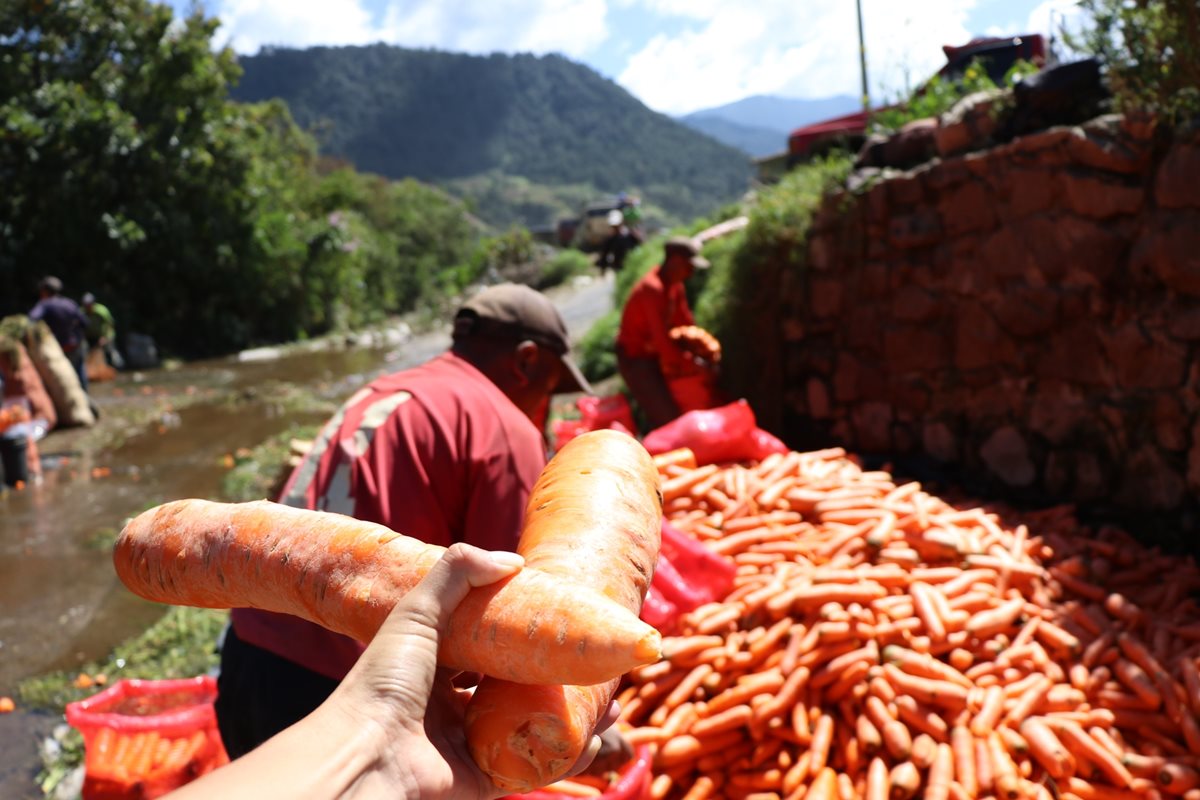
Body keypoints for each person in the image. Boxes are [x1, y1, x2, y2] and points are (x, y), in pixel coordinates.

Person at [215, 283, 594, 758]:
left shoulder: (388, 388)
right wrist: (565, 712)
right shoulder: (501, 425)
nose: (545, 408)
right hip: (341, 690)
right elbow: (507, 607)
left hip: (249, 650)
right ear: (526, 361)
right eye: (550, 389)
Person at [169, 544, 615, 800]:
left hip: (248, 654)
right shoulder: (504, 433)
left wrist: (383, 753)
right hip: (323, 677)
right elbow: (506, 593)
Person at [616, 236, 720, 430]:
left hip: (656, 354)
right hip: (636, 359)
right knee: (668, 418)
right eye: (688, 267)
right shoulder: (651, 289)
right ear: (675, 261)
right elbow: (663, 344)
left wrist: (705, 353)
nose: (690, 273)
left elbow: (687, 324)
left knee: (683, 406)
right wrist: (697, 366)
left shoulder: (675, 287)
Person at [28, 276, 90, 392]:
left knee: (59, 381)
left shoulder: (45, 304)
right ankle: (85, 402)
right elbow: (84, 322)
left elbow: (31, 320)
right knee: (80, 376)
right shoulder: (70, 303)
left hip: (58, 348)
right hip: (75, 345)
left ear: (44, 291)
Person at [81, 292, 124, 370]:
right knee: (90, 354)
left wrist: (105, 337)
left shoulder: (101, 311)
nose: (87, 307)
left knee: (110, 352)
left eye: (89, 304)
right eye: (85, 305)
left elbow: (110, 325)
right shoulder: (82, 312)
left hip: (105, 336)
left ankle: (118, 369)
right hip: (91, 337)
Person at [595, 209, 644, 275]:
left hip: (631, 267)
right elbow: (605, 254)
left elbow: (641, 247)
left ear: (621, 223)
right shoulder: (611, 239)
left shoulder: (630, 235)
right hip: (618, 268)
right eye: (613, 226)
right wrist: (603, 268)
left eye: (616, 226)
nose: (615, 228)